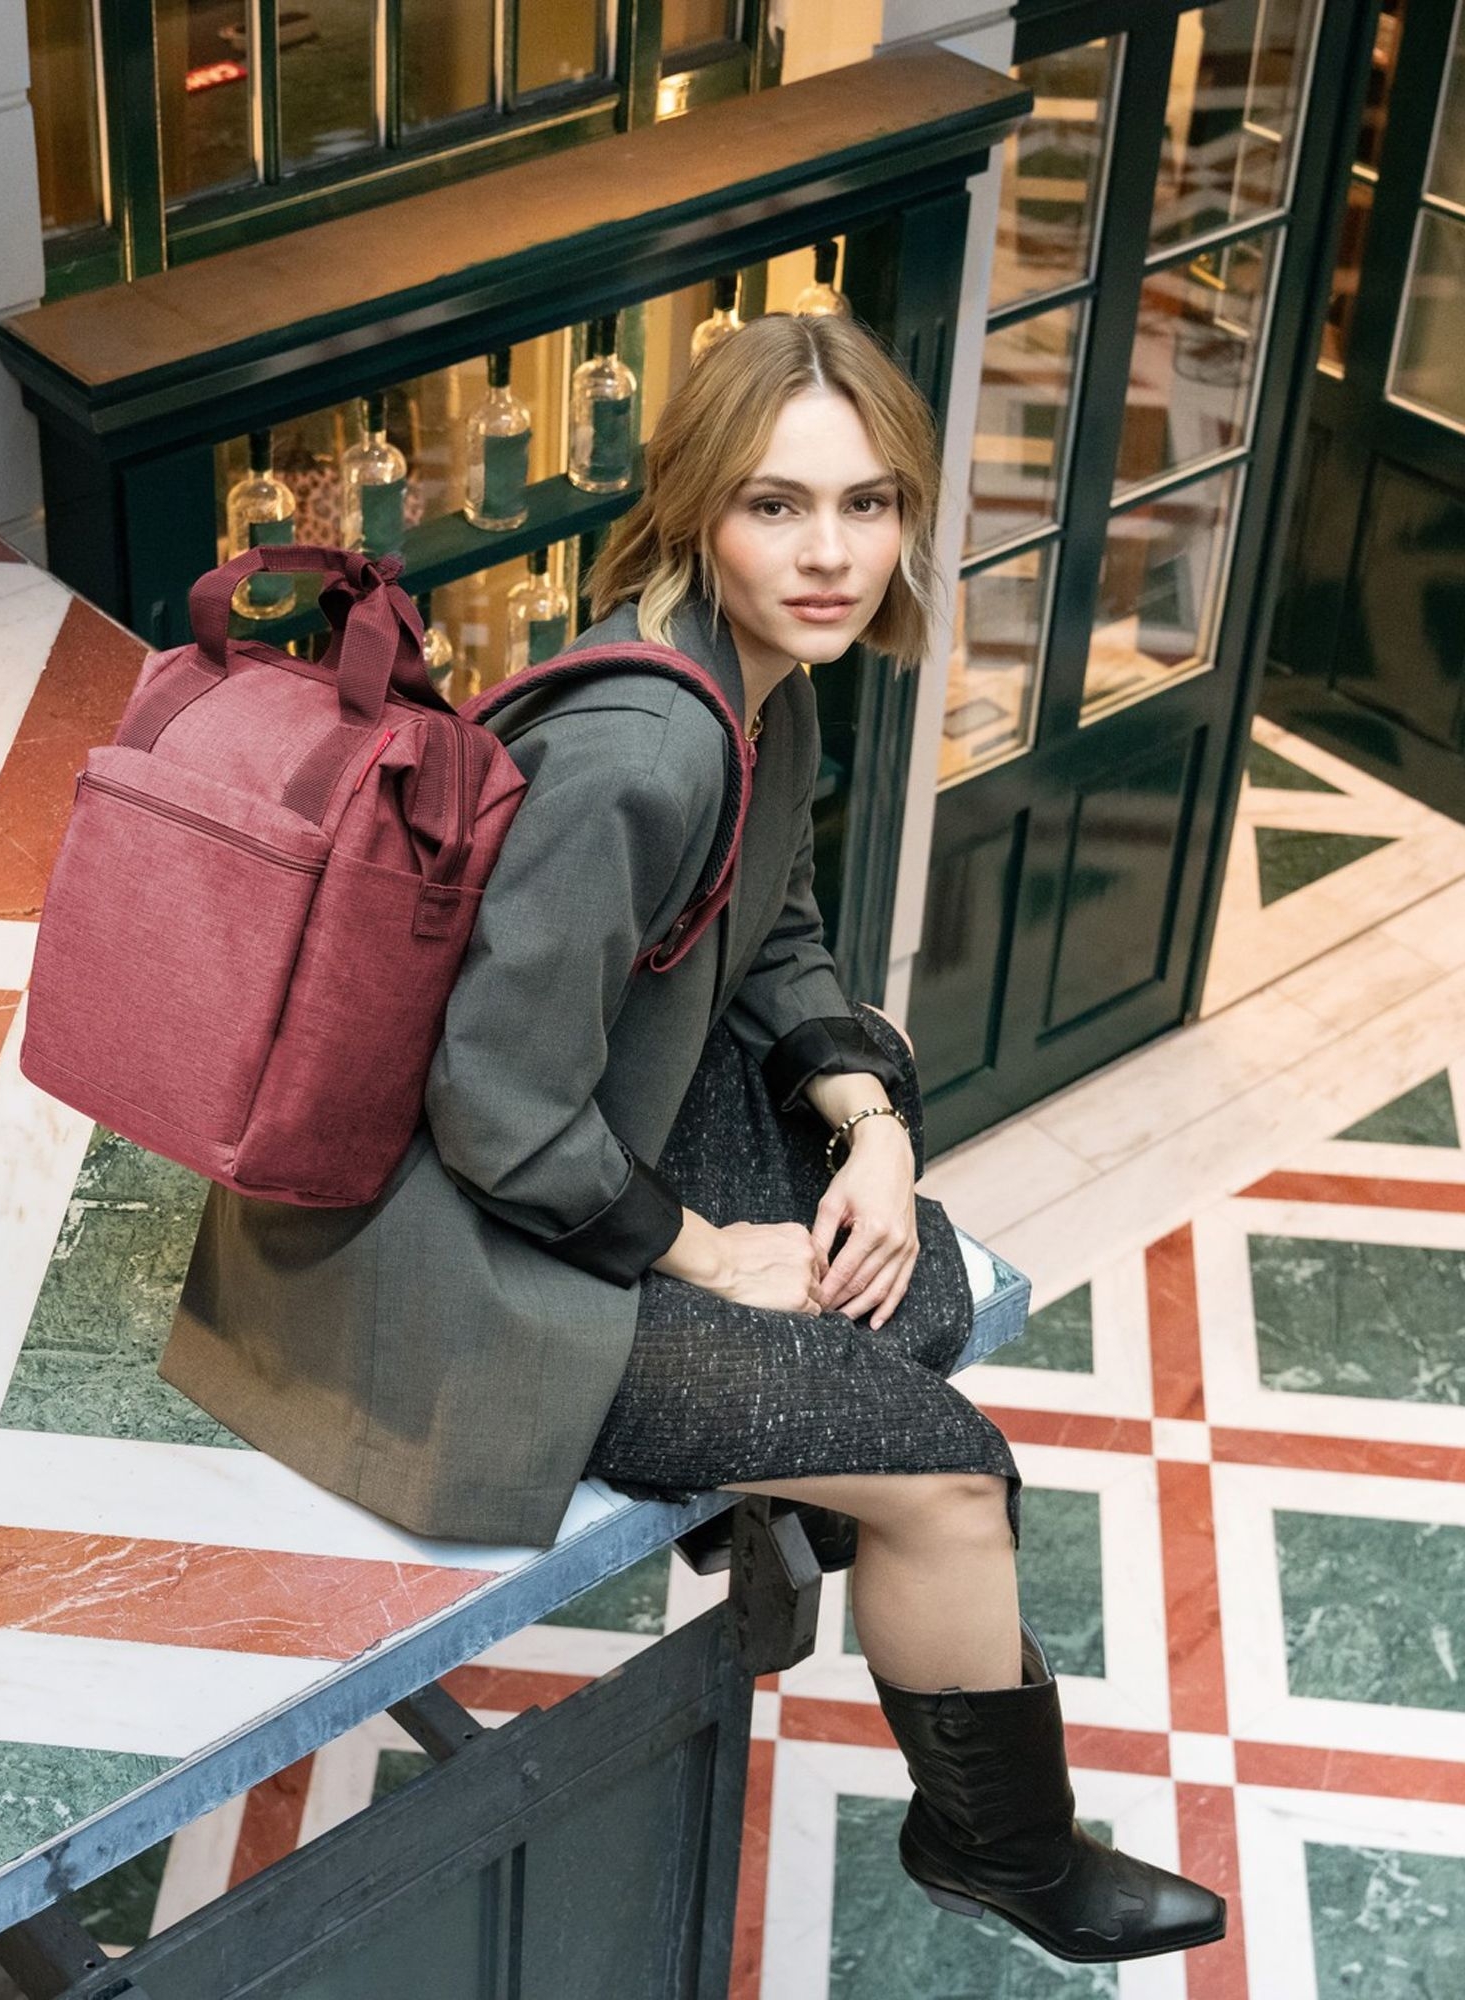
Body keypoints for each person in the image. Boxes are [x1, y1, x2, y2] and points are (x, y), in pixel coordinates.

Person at [160, 312, 1224, 1963]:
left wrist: (870, 1125)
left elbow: (774, 929)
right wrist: (706, 1248)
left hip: (588, 1137)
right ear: (697, 509)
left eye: (867, 506)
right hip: (465, 1260)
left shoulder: (754, 683)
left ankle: (800, 1495)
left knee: (907, 1273)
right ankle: (1004, 1854)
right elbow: (497, 1108)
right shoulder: (645, 748)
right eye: (776, 506)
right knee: (951, 1483)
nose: (829, 554)